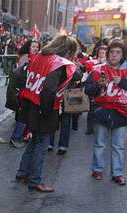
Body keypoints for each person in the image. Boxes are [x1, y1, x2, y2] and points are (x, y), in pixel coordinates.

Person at [15, 34, 79, 192]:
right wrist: (48, 110)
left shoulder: (40, 56)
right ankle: (35, 180)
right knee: (42, 145)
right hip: (43, 109)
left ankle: (22, 172)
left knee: (34, 141)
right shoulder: (57, 63)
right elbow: (49, 89)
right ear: (68, 50)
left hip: (31, 105)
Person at [85, 40, 127, 186]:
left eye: (118, 52)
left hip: (122, 113)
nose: (114, 55)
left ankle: (117, 173)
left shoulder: (126, 70)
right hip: (102, 111)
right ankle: (97, 169)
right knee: (100, 143)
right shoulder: (98, 69)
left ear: (122, 55)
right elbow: (87, 90)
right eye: (112, 52)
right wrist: (98, 86)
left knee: (119, 145)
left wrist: (122, 82)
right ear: (108, 53)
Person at [9, 39, 41, 148]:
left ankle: (24, 136)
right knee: (24, 116)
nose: (35, 49)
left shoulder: (39, 59)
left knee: (28, 116)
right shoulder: (25, 58)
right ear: (29, 48)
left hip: (32, 92)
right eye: (33, 47)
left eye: (37, 47)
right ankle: (15, 138)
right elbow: (18, 74)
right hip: (24, 92)